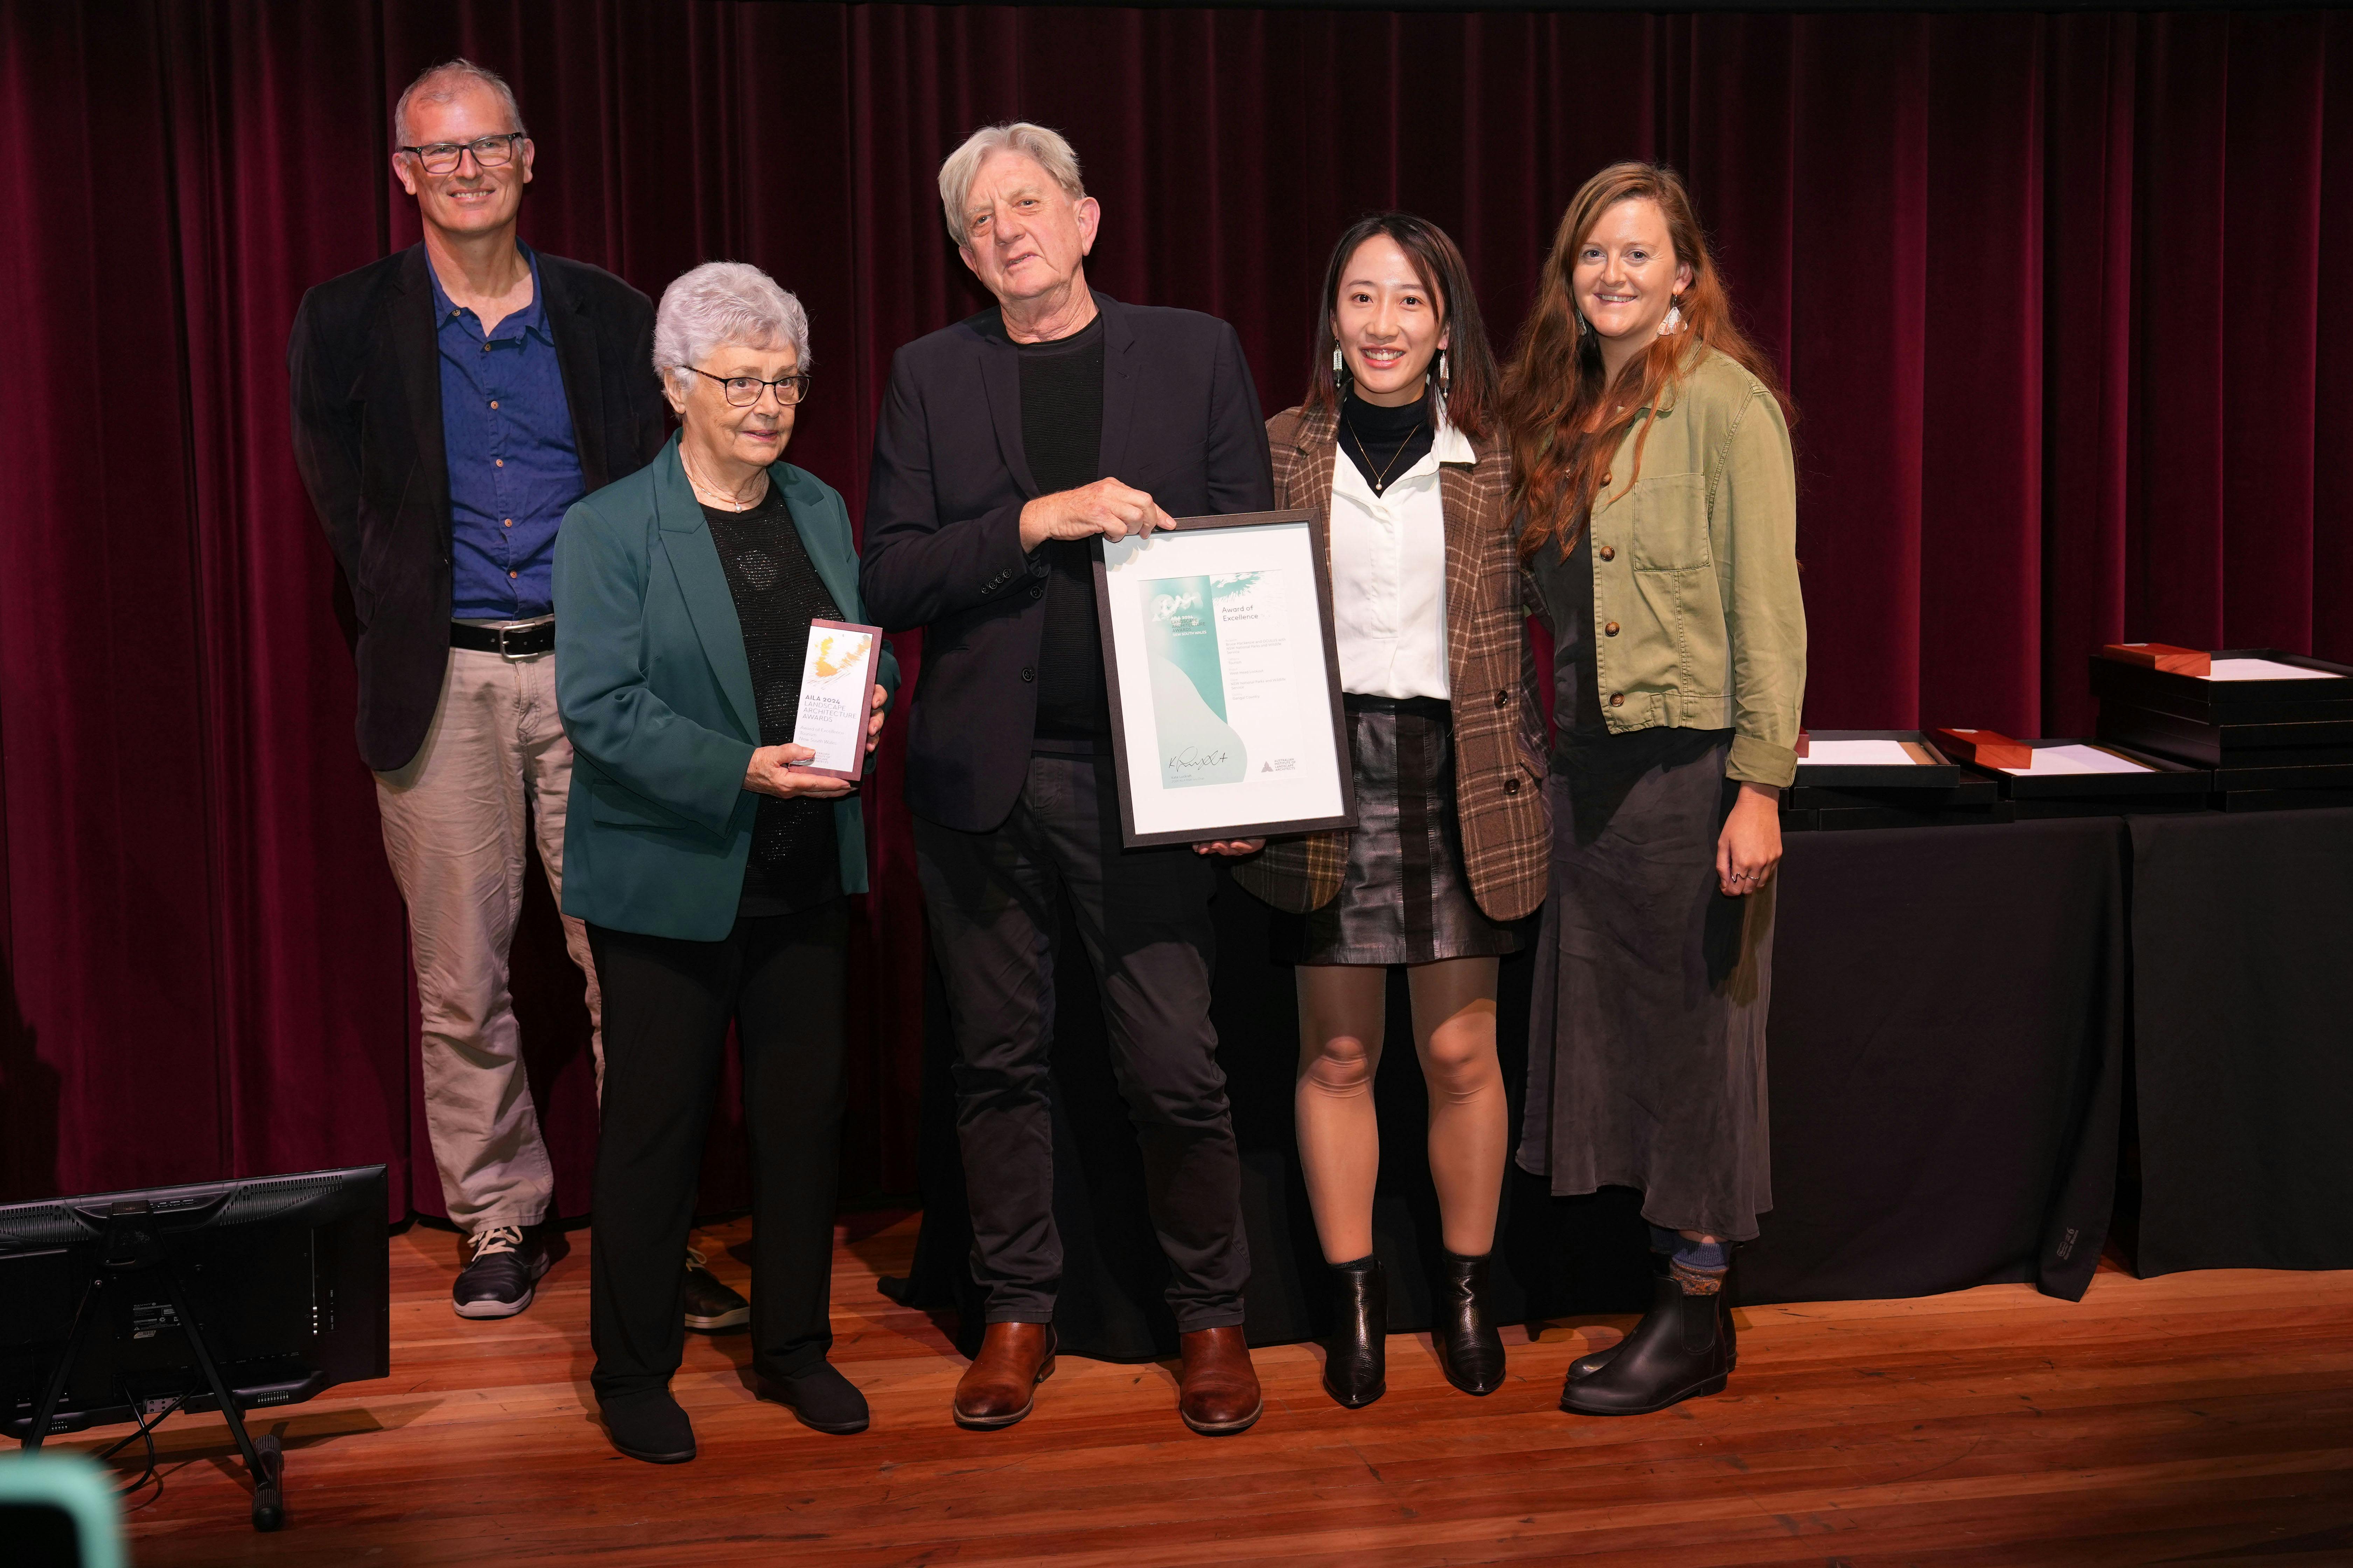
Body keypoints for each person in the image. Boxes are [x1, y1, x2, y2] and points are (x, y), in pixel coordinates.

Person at [289, 60, 742, 1332]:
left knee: (635, 968)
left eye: (489, 144)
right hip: (443, 685)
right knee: (461, 976)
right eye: (440, 152)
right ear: (405, 175)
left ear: (529, 158)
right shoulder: (340, 321)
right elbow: (344, 504)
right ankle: (498, 1212)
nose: (467, 167)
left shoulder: (611, 316)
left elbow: (672, 493)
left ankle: (657, 1228)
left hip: (604, 681)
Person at [861, 122, 1273, 1436]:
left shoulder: (1195, 350)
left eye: (1025, 206)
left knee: (1173, 1067)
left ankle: (1212, 1319)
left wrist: (1238, 783)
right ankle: (1016, 1314)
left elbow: (1244, 560)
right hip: (979, 784)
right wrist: (1034, 522)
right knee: (995, 1067)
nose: (1004, 234)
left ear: (1087, 220)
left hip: (1150, 782)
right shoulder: (930, 376)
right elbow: (888, 575)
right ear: (964, 255)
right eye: (977, 224)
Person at [552, 261, 896, 1464]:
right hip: (671, 874)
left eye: (787, 380)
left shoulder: (816, 506)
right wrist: (740, 767)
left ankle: (794, 1348)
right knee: (658, 1129)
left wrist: (873, 702)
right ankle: (633, 1369)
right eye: (741, 380)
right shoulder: (606, 527)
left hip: (805, 866)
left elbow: (857, 650)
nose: (768, 403)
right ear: (673, 385)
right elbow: (598, 707)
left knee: (803, 1122)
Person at [1502, 162, 1806, 1417]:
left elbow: (1768, 611)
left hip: (1697, 774)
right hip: (1595, 776)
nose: (1612, 276)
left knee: (1700, 1048)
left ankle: (1694, 1312)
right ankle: (1670, 1299)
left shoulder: (1729, 405)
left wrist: (1760, 787)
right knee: (1628, 1041)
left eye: (1638, 255)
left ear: (1684, 273)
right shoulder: (1561, 409)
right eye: (1592, 256)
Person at [1228, 215, 1547, 1409]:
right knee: (1340, 1050)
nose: (1381, 325)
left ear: (1446, 324)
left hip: (1465, 771)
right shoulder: (1272, 452)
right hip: (1321, 771)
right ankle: (1352, 1301)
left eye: (1408, 302)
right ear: (1330, 320)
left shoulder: (1506, 456)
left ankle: (1466, 1291)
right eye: (1360, 299)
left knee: (1460, 1050)